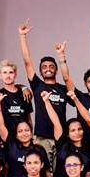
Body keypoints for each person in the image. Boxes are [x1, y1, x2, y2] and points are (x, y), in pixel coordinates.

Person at [19, 20, 69, 166]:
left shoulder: (63, 89)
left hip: (61, 137)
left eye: (51, 66)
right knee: (43, 171)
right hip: (42, 137)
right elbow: (27, 62)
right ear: (40, 71)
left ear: (56, 70)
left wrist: (61, 56)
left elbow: (67, 78)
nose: (48, 69)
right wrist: (23, 36)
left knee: (59, 171)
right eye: (44, 67)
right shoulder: (37, 85)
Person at [55, 41, 90, 136]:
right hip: (81, 140)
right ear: (85, 84)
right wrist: (61, 56)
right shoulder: (80, 97)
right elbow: (66, 78)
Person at [43, 90, 90, 177]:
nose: (77, 132)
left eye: (79, 129)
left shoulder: (89, 149)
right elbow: (55, 121)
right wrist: (47, 102)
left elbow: (89, 172)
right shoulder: (62, 144)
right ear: (67, 134)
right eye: (73, 130)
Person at [0, 58, 34, 131]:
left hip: (23, 135)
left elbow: (29, 119)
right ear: (0, 76)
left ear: (15, 75)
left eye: (11, 72)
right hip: (5, 136)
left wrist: (31, 134)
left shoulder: (24, 94)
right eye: (5, 72)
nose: (8, 76)